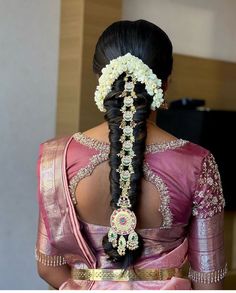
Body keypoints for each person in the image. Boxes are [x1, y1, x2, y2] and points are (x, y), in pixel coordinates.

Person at [35, 20, 227, 290]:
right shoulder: (198, 164)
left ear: (101, 80)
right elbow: (209, 281)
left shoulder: (56, 158)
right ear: (165, 83)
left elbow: (48, 266)